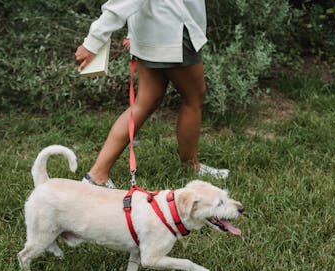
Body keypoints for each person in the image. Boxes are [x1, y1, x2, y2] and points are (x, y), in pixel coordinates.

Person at [75, 0, 229, 189]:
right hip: (173, 28)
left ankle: (97, 175)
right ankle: (191, 166)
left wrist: (133, 32)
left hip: (151, 31)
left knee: (145, 102)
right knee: (194, 96)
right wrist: (93, 42)